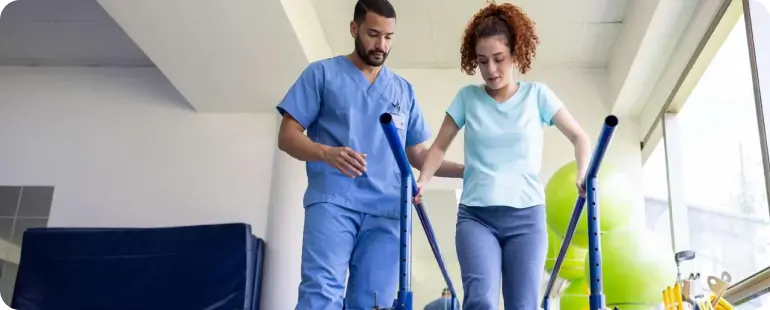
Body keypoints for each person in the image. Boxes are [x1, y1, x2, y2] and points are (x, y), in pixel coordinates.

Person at [275, 0, 465, 309]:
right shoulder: (322, 74)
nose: (381, 45)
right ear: (354, 29)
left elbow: (419, 154)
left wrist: (466, 170)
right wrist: (326, 153)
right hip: (334, 201)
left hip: (387, 211)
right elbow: (287, 136)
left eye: (388, 37)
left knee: (374, 303)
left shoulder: (403, 91)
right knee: (321, 294)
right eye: (373, 34)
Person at [414, 2, 592, 309]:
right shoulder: (467, 98)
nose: (491, 70)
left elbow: (580, 137)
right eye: (482, 61)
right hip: (476, 217)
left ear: (515, 54)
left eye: (499, 59)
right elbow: (439, 146)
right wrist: (423, 181)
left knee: (522, 305)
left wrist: (582, 172)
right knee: (481, 301)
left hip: (527, 219)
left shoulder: (538, 96)